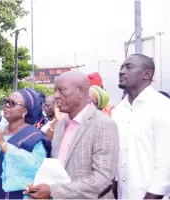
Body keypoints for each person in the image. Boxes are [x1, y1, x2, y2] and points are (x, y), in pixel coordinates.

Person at [25, 71, 119, 199]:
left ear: (80, 91)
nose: (56, 96)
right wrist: (41, 187)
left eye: (61, 90)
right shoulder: (60, 124)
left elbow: (102, 179)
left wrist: (53, 190)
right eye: (55, 91)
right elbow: (58, 169)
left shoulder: (103, 123)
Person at [112, 54, 170, 199]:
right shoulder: (118, 111)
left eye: (129, 67)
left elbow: (166, 163)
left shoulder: (162, 107)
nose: (121, 71)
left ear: (147, 74)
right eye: (121, 67)